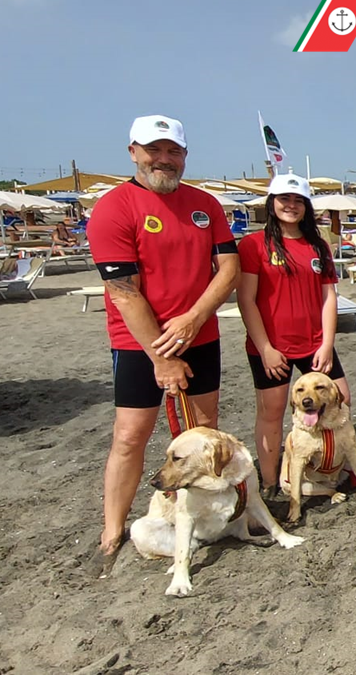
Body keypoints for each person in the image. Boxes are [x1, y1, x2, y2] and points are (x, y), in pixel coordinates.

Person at [86, 115, 240, 575]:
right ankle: (111, 533)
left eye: (173, 151)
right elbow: (123, 291)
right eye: (154, 150)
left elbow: (227, 268)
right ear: (133, 151)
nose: (164, 159)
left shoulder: (204, 204)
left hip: (199, 334)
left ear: (185, 156)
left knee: (205, 429)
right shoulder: (114, 207)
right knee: (131, 436)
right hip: (139, 343)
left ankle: (207, 515)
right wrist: (160, 355)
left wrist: (195, 317)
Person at [237, 173, 351, 494]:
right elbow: (246, 299)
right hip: (272, 346)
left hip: (315, 342)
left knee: (341, 399)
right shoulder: (253, 244)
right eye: (284, 199)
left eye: (298, 200)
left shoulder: (317, 245)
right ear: (272, 203)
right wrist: (265, 347)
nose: (291, 205)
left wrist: (328, 343)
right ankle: (272, 480)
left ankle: (328, 466)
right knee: (272, 412)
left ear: (306, 207)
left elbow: (329, 296)